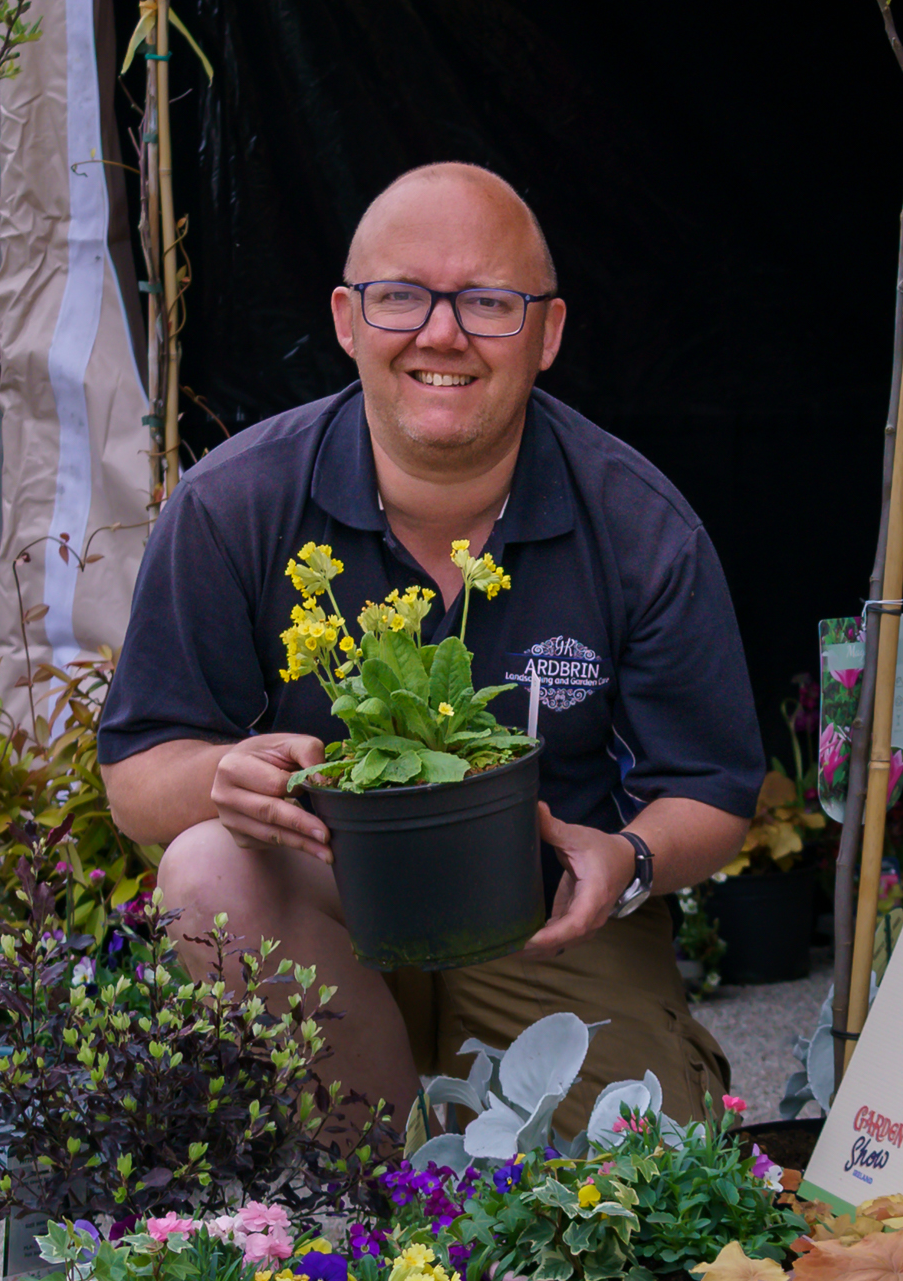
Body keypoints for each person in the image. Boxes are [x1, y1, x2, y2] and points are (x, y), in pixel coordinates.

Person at [98, 161, 761, 1130]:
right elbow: (135, 776)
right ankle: (384, 1194)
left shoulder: (640, 525)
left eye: (490, 302)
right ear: (345, 318)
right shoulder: (233, 504)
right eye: (402, 297)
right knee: (207, 867)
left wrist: (631, 856)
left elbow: (710, 788)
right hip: (341, 917)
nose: (441, 333)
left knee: (626, 1207)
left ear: (549, 332)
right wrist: (224, 778)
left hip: (550, 930)